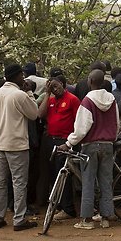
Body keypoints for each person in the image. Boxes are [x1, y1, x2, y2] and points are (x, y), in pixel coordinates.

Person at [58, 69, 119, 230]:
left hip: (90, 145)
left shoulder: (87, 101)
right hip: (108, 145)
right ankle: (106, 217)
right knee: (106, 181)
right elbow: (117, 123)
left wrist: (68, 143)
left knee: (88, 182)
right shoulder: (112, 100)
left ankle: (87, 219)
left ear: (90, 81)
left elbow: (81, 129)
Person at [0, 63, 39, 231]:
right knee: (19, 183)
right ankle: (19, 219)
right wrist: (29, 92)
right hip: (17, 145)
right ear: (17, 76)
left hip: (1, 144)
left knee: (0, 181)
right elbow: (34, 113)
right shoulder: (19, 95)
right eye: (21, 75)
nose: (23, 78)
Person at [38, 75, 81, 220]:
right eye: (51, 87)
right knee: (53, 175)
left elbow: (79, 121)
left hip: (65, 141)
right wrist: (47, 93)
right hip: (50, 140)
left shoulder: (72, 99)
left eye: (56, 86)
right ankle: (61, 206)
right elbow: (40, 114)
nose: (54, 89)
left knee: (63, 175)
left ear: (63, 84)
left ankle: (68, 209)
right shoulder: (49, 100)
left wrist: (71, 142)